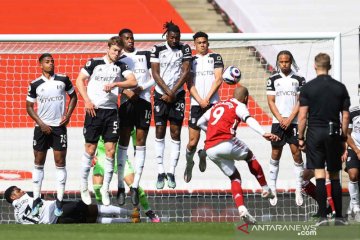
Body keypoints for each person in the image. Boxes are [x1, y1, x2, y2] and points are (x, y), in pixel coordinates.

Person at [197, 86, 279, 224]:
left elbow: (199, 122)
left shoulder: (218, 104)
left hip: (210, 148)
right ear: (246, 98)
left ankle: (241, 208)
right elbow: (249, 119)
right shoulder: (239, 105)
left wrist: (211, 132)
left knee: (235, 177)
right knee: (250, 157)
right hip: (226, 142)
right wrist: (263, 133)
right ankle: (265, 188)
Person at [76, 36, 137, 206]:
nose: (117, 54)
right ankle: (83, 187)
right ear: (108, 48)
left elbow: (133, 81)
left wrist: (117, 84)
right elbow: (79, 80)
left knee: (111, 151)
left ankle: (105, 189)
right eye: (114, 50)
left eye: (119, 51)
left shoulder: (121, 66)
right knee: (90, 148)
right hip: (94, 111)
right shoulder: (94, 63)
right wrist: (87, 100)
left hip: (111, 112)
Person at [298, 53, 350, 226]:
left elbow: (303, 116)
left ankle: (322, 216)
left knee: (319, 173)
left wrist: (300, 137)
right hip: (333, 132)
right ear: (330, 66)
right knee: (334, 175)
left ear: (315, 66)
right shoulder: (340, 88)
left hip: (314, 133)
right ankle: (339, 217)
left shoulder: (308, 88)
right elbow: (345, 116)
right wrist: (343, 137)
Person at [26, 53, 77, 217]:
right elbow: (29, 106)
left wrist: (68, 116)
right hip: (41, 128)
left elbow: (73, 96)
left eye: (52, 61)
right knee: (38, 162)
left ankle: (60, 201)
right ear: (41, 65)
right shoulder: (35, 84)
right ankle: (36, 199)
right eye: (47, 62)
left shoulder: (63, 79)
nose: (51, 64)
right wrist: (41, 124)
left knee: (60, 162)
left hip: (58, 128)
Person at [116, 29, 155, 206]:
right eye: (127, 38)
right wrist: (125, 90)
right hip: (126, 103)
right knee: (123, 142)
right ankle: (120, 187)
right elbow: (113, 83)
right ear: (121, 41)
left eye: (132, 38)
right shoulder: (118, 59)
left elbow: (155, 77)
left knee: (140, 143)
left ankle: (135, 186)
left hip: (144, 101)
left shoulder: (145, 55)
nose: (130, 40)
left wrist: (140, 89)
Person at [150, 21, 192, 189]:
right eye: (172, 37)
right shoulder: (157, 49)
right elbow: (155, 73)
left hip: (178, 96)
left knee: (175, 133)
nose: (175, 40)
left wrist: (173, 92)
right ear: (166, 36)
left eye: (177, 37)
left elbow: (186, 71)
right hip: (161, 95)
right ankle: (160, 171)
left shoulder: (185, 49)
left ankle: (172, 171)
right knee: (159, 131)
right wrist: (167, 92)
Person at [266, 50, 306, 206]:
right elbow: (271, 101)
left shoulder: (299, 79)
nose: (284, 64)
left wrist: (289, 118)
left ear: (291, 61)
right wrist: (281, 118)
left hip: (294, 122)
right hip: (278, 123)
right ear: (278, 62)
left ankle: (298, 188)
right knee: (276, 153)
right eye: (281, 62)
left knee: (296, 154)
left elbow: (300, 101)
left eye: (287, 61)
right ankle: (272, 188)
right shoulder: (272, 79)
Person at [92, 134, 161, 223]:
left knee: (134, 186)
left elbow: (137, 141)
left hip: (120, 158)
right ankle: (103, 211)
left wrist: (138, 156)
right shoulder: (102, 121)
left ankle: (149, 211)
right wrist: (92, 154)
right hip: (102, 157)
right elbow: (91, 137)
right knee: (97, 187)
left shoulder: (127, 123)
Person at [184, 31, 224, 183]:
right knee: (192, 142)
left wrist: (207, 99)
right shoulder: (191, 60)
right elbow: (189, 83)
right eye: (199, 42)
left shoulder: (215, 57)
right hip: (196, 104)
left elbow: (218, 79)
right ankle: (189, 163)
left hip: (212, 104)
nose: (202, 44)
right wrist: (200, 100)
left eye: (204, 42)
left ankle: (203, 155)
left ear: (208, 43)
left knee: (214, 139)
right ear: (194, 44)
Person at [4, 186, 140, 224]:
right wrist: (58, 201)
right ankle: (131, 213)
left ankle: (129, 221)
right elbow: (44, 196)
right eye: (18, 190)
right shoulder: (27, 195)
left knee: (91, 221)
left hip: (57, 222)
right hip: (59, 209)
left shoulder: (17, 217)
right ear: (12, 196)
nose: (21, 190)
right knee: (93, 209)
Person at [345, 105, 360, 222]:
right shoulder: (353, 112)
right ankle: (356, 207)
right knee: (353, 175)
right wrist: (357, 150)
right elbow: (347, 134)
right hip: (354, 149)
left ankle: (351, 207)